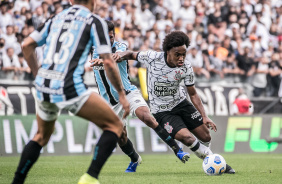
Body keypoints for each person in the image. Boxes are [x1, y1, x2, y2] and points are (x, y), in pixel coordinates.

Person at [11, 0, 131, 184]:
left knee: (41, 136)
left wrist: (38, 74)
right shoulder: (94, 21)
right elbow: (108, 61)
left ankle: (17, 181)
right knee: (115, 126)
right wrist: (122, 95)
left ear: (71, 1)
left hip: (44, 86)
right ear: (94, 2)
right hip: (69, 87)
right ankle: (90, 178)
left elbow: (27, 44)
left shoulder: (55, 19)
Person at [113, 31, 235, 174]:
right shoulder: (153, 57)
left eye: (184, 54)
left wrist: (205, 116)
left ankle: (209, 159)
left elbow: (193, 94)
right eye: (178, 54)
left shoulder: (186, 67)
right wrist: (120, 55)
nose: (181, 58)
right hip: (161, 111)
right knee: (188, 138)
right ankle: (213, 161)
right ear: (167, 51)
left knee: (206, 136)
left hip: (181, 103)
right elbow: (131, 54)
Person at [89, 20, 190, 171]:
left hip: (128, 93)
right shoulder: (93, 49)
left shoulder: (120, 47)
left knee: (147, 117)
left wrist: (103, 61)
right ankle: (135, 159)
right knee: (121, 137)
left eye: (111, 36)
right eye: (105, 36)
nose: (108, 40)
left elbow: (117, 57)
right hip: (109, 103)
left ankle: (177, 149)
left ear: (114, 36)